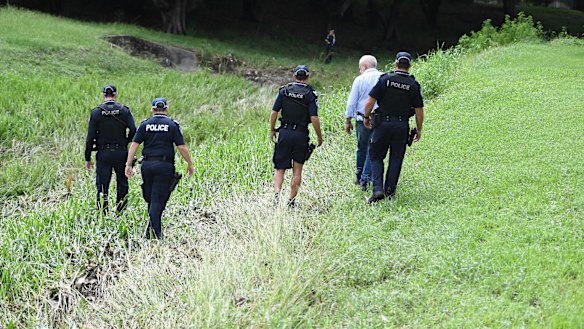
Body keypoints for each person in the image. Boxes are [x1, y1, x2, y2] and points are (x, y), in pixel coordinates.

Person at [125, 98, 194, 239]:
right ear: (166, 108)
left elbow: (134, 144)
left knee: (151, 198)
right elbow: (181, 147)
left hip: (147, 165)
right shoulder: (172, 125)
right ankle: (154, 234)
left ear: (152, 109)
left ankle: (152, 231)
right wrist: (189, 163)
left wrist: (128, 164)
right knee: (158, 199)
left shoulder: (145, 124)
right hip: (164, 166)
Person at [363, 51, 424, 204]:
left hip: (382, 124)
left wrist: (366, 117)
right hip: (401, 125)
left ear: (395, 64)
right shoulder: (413, 85)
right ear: (409, 66)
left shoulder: (385, 79)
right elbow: (419, 110)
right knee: (396, 158)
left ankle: (377, 189)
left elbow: (370, 101)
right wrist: (419, 129)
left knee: (376, 156)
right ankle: (390, 192)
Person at [269, 65, 323, 207]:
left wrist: (272, 130)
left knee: (280, 167)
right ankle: (291, 201)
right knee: (297, 169)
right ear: (307, 77)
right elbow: (314, 117)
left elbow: (274, 112)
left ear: (294, 76)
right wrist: (319, 136)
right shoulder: (310, 94)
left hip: (284, 133)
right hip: (301, 134)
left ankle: (276, 196)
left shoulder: (284, 91)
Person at [85, 84, 136, 213]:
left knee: (102, 185)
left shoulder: (97, 112)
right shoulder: (124, 111)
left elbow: (90, 137)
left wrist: (88, 157)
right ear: (116, 94)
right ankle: (121, 212)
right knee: (122, 183)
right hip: (121, 151)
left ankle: (103, 212)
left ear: (103, 95)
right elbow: (134, 130)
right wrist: (126, 140)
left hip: (103, 153)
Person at [345, 54, 383, 191]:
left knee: (362, 146)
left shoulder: (359, 79)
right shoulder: (383, 77)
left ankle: (360, 175)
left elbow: (351, 102)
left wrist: (348, 120)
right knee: (372, 148)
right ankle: (366, 178)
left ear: (364, 66)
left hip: (362, 119)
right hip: (379, 120)